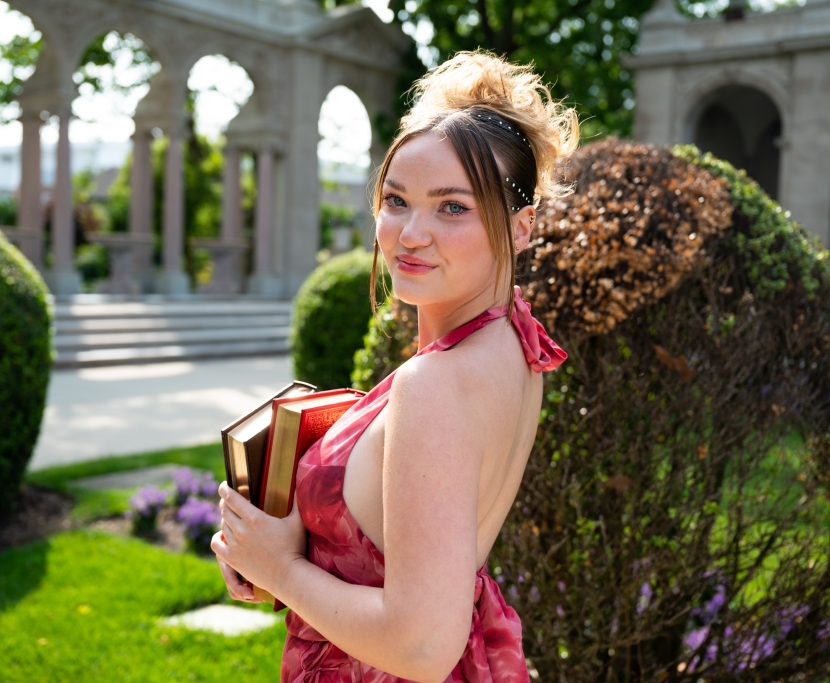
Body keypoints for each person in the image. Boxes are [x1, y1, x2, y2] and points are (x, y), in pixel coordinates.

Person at [212, 50, 578, 682]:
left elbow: (420, 647)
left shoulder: (435, 384)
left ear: (521, 230)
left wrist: (277, 569)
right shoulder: (513, 340)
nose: (410, 233)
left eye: (452, 207)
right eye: (397, 200)